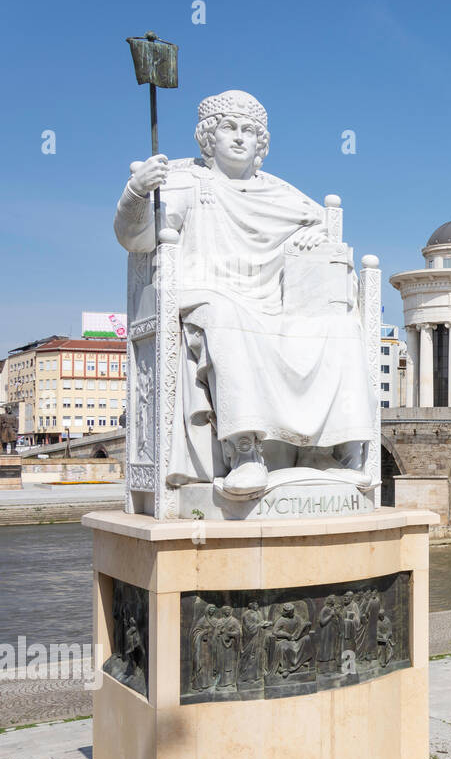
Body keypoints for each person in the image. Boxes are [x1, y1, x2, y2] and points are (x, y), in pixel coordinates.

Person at [114, 90, 375, 498]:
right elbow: (138, 239)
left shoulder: (281, 194)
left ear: (261, 144)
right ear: (208, 138)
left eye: (250, 131)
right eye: (228, 128)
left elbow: (324, 225)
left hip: (276, 303)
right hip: (204, 295)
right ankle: (245, 452)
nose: (239, 138)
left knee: (338, 324)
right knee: (226, 315)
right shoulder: (185, 183)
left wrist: (316, 232)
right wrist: (136, 192)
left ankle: (323, 451)